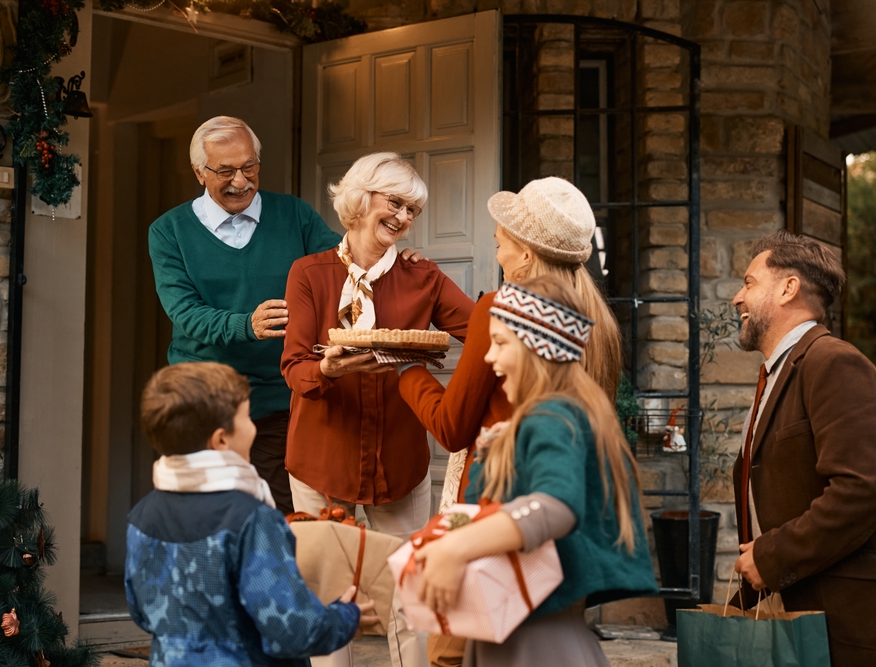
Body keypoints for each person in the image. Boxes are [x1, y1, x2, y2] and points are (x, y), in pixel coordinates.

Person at [397, 176, 623, 667]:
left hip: (492, 515)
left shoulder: (501, 311)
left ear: (525, 254)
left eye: (501, 243)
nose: (496, 250)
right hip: (563, 527)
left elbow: (452, 427)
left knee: (450, 657)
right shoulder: (598, 321)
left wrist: (405, 370)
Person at [148, 117, 421, 514]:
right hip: (203, 402)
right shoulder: (168, 231)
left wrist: (397, 259)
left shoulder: (293, 213)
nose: (241, 181)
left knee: (280, 518)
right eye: (225, 171)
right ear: (198, 173)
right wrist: (246, 324)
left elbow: (346, 261)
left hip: (279, 398)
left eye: (249, 167)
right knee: (206, 516)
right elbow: (184, 311)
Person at [281, 152, 476, 667]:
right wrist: (329, 371)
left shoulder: (424, 278)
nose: (405, 217)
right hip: (321, 458)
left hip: (399, 460)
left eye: (413, 209)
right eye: (396, 202)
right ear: (362, 199)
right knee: (329, 598)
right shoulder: (309, 273)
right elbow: (295, 366)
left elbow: (484, 333)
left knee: (411, 597)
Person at [413, 277, 657, 667]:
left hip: (534, 645)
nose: (489, 359)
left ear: (537, 347)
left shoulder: (553, 417)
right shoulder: (557, 416)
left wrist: (455, 548)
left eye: (501, 343)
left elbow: (554, 506)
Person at [125, 361, 378, 666]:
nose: (254, 427)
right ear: (221, 439)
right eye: (247, 417)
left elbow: (142, 612)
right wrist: (346, 616)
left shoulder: (141, 516)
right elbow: (292, 631)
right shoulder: (253, 519)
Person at [731, 230, 876, 666]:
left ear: (788, 289)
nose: (737, 298)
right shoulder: (779, 373)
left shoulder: (835, 363)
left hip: (840, 627)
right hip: (792, 619)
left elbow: (864, 490)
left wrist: (771, 557)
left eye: (749, 283)